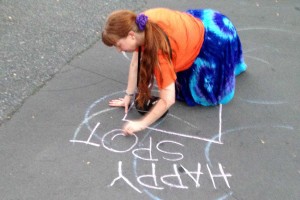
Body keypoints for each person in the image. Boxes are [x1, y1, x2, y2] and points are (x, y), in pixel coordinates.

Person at [101, 8, 247, 135]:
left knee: (204, 95)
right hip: (200, 20)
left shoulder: (160, 53)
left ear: (131, 35)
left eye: (118, 45)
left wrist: (140, 124)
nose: (119, 50)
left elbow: (168, 99)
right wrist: (128, 96)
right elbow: (135, 64)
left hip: (215, 37)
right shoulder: (142, 23)